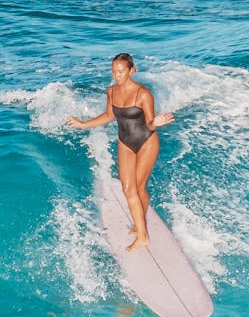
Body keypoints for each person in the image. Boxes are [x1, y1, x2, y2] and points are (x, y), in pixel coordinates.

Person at [68, 53, 174, 252]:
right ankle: (140, 224)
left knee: (139, 186)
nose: (116, 75)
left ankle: (142, 234)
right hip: (125, 142)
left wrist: (156, 122)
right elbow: (109, 115)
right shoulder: (111, 91)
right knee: (128, 189)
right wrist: (83, 125)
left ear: (131, 71)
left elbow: (150, 123)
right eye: (114, 71)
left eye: (121, 71)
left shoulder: (143, 94)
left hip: (147, 142)